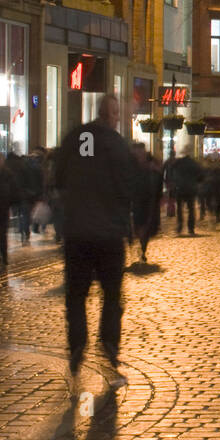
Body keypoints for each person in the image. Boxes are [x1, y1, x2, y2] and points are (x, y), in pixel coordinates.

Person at [54, 95, 133, 394]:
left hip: (77, 233)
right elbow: (128, 188)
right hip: (109, 235)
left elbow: (58, 179)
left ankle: (77, 344)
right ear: (110, 115)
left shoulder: (75, 137)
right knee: (112, 295)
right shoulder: (116, 145)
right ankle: (110, 343)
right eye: (116, 113)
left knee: (76, 295)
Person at [129, 143, 163, 263]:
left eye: (141, 152)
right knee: (138, 224)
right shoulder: (130, 165)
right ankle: (139, 240)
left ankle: (143, 248)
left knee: (146, 226)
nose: (140, 155)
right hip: (136, 199)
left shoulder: (151, 166)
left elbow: (158, 182)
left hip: (149, 200)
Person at [165, 148, 203, 236]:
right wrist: (196, 182)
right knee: (191, 209)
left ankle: (180, 226)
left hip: (180, 188)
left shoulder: (177, 163)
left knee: (179, 209)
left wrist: (173, 183)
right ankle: (191, 229)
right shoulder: (194, 163)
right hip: (191, 188)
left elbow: (171, 173)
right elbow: (201, 175)